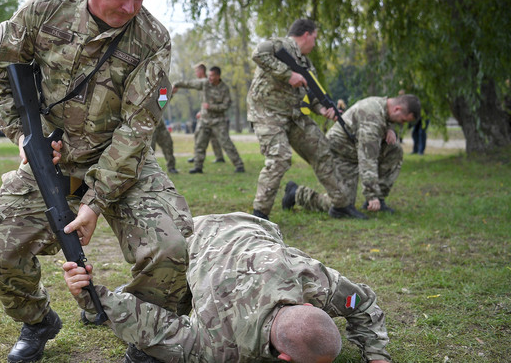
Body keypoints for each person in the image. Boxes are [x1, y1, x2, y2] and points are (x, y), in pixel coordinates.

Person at [0, 0, 194, 362]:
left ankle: (145, 333)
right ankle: (39, 321)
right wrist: (24, 135)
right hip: (51, 159)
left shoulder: (152, 39)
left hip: (121, 161)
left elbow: (136, 130)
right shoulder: (46, 10)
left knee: (171, 246)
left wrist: (94, 203)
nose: (130, 8)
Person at [63, 212, 391, 363]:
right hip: (192, 241)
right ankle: (136, 288)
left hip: (250, 225)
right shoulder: (220, 344)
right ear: (285, 359)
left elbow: (360, 304)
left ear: (310, 306)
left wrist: (378, 358)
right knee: (157, 334)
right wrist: (93, 298)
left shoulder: (314, 279)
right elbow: (154, 327)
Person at [247, 18, 365, 221]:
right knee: (279, 158)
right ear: (306, 34)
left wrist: (322, 109)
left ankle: (341, 205)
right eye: (315, 38)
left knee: (322, 151)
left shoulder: (307, 64)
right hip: (267, 113)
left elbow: (309, 99)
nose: (315, 43)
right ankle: (259, 215)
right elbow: (257, 53)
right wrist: (287, 74)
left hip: (294, 116)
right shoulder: (279, 45)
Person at [283, 95, 420, 215]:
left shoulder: (383, 107)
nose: (401, 124)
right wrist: (371, 194)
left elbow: (385, 120)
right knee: (342, 204)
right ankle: (296, 193)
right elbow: (367, 158)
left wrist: (390, 128)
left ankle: (379, 200)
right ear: (397, 109)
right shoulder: (371, 116)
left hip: (352, 150)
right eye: (403, 120)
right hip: (340, 154)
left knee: (394, 150)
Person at [173, 66, 245, 174]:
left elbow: (226, 105)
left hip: (218, 121)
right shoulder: (204, 83)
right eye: (209, 75)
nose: (209, 77)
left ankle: (239, 165)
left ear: (218, 76)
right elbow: (190, 83)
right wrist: (176, 84)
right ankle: (198, 167)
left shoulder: (224, 88)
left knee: (226, 143)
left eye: (212, 75)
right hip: (204, 120)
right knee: (199, 143)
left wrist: (211, 106)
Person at [185, 63, 224, 164]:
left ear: (201, 71)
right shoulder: (205, 83)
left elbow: (211, 100)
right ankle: (216, 156)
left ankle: (200, 156)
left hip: (209, 114)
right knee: (210, 136)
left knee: (201, 135)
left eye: (196, 71)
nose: (195, 73)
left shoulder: (206, 83)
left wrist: (203, 111)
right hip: (206, 113)